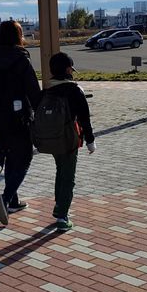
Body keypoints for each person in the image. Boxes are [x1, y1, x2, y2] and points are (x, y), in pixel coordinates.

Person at [0, 21, 41, 226]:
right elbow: (32, 89)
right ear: (18, 35)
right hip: (19, 118)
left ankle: (13, 202)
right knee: (25, 158)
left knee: (9, 155)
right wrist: (42, 113)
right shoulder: (21, 58)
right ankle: (5, 198)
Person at [44, 52, 96, 232]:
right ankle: (62, 216)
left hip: (51, 139)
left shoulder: (48, 90)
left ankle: (59, 206)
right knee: (68, 177)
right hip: (69, 139)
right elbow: (84, 118)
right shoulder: (74, 90)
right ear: (68, 69)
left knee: (61, 171)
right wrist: (90, 141)